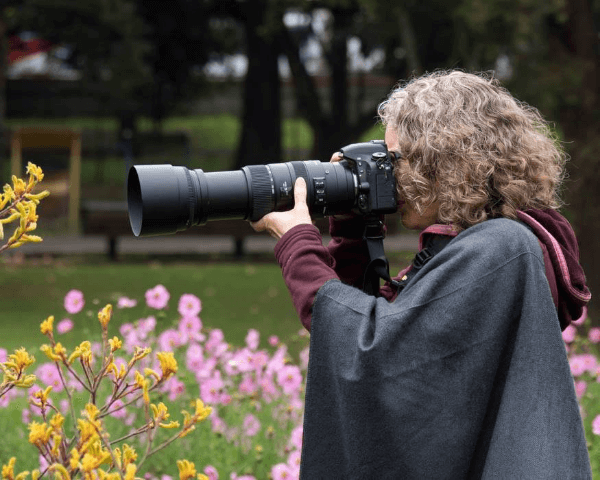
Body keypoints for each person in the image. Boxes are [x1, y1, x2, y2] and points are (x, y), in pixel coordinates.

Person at [251, 70, 592, 479]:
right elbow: (386, 328)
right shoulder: (492, 246)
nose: (388, 175)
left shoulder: (498, 249)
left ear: (446, 160)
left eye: (394, 159)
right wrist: (352, 228)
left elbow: (376, 353)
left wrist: (296, 243)